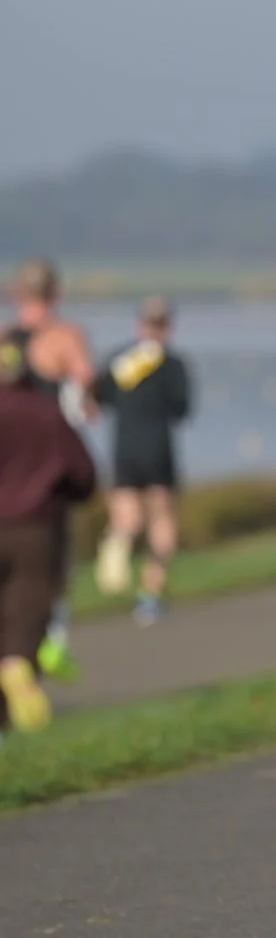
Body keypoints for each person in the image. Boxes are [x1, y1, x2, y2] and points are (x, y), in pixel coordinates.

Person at [0, 319, 98, 736]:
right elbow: (84, 476)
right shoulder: (46, 413)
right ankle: (17, 666)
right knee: (27, 613)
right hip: (37, 528)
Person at [11, 259, 94, 684]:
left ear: (17, 295)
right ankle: (50, 641)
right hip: (50, 465)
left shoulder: (5, 341)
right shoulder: (65, 338)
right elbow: (84, 390)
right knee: (52, 561)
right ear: (56, 294)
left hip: (7, 461)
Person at [93, 297, 194, 624]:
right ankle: (150, 594)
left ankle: (116, 549)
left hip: (124, 450)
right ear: (169, 328)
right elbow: (181, 410)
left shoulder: (118, 361)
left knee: (126, 518)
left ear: (140, 326)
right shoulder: (173, 365)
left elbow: (99, 398)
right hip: (158, 451)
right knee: (162, 519)